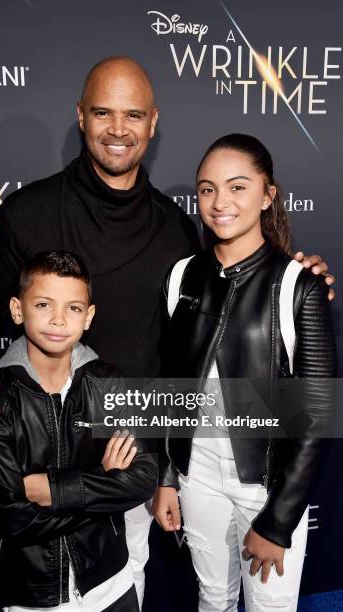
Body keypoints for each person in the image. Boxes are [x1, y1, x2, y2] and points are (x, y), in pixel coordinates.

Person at [0, 56, 334, 607]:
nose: (118, 128)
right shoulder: (26, 211)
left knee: (127, 589)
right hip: (40, 461)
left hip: (127, 462)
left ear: (153, 123)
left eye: (133, 114)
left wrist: (297, 279)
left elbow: (222, 309)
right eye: (103, 112)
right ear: (80, 116)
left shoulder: (178, 232)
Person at [153, 134, 336, 611]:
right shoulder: (180, 277)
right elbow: (171, 386)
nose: (220, 203)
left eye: (237, 187)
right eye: (207, 189)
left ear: (268, 193)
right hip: (198, 480)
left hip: (268, 486)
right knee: (212, 597)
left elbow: (316, 415)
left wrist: (277, 521)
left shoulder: (298, 284)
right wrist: (168, 476)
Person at [0, 250, 158, 611]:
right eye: (43, 304)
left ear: (88, 317)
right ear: (17, 309)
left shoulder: (107, 381)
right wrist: (105, 482)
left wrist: (53, 489)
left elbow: (144, 477)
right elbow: (14, 517)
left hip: (111, 581)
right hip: (33, 597)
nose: (58, 320)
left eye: (72, 308)